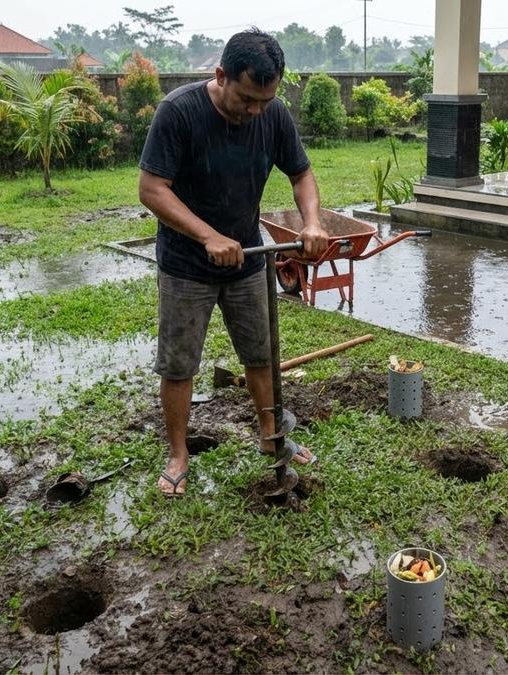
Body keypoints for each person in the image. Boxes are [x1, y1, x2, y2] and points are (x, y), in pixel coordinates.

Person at [138, 28, 329, 497]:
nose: (255, 111)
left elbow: (301, 173)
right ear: (221, 75)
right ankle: (178, 453)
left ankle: (271, 435)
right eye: (246, 99)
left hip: (247, 258)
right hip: (186, 264)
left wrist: (312, 222)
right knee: (179, 364)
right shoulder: (178, 112)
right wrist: (208, 236)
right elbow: (152, 189)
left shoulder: (273, 114)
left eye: (265, 100)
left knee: (261, 354)